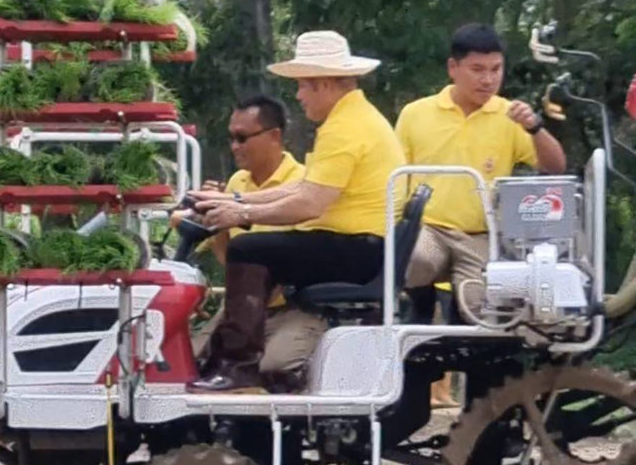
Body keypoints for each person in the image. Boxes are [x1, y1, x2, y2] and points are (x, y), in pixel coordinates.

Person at [188, 30, 406, 392]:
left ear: (323, 83)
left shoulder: (346, 128)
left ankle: (237, 366)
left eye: (303, 86)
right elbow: (306, 187)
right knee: (261, 247)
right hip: (362, 243)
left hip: (358, 248)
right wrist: (236, 202)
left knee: (247, 248)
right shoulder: (354, 119)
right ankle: (228, 358)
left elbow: (309, 204)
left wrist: (241, 216)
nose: (298, 96)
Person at [395, 23, 567, 315]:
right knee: (414, 262)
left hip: (480, 234)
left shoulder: (509, 114)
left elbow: (555, 167)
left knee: (480, 307)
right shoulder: (415, 113)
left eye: (496, 69)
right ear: (453, 67)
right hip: (430, 228)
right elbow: (396, 178)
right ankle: (420, 304)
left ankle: (461, 338)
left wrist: (535, 127)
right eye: (477, 69)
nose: (488, 79)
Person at [192, 95, 327, 389]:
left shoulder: (304, 185)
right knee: (188, 361)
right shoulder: (236, 183)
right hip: (244, 310)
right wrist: (213, 221)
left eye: (242, 138)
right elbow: (229, 262)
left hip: (293, 308)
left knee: (272, 367)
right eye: (231, 138)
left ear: (274, 136)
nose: (234, 147)